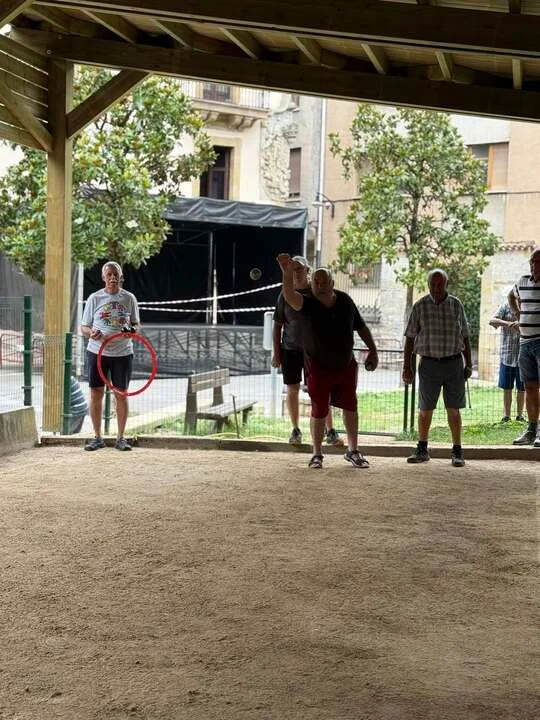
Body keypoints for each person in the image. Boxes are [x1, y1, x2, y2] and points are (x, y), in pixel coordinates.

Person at [276, 253, 378, 469]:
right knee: (319, 409)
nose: (320, 286)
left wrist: (373, 350)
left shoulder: (345, 301)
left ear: (332, 283)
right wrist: (286, 273)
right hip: (318, 366)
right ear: (312, 283)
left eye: (324, 282)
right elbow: (288, 294)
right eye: (316, 282)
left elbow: (361, 327)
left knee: (350, 406)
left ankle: (353, 450)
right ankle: (317, 454)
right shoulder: (305, 303)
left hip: (346, 364)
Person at [402, 269, 472, 467]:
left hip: (454, 364)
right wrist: (407, 366)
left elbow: (465, 335)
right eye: (433, 284)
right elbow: (410, 338)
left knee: (454, 410)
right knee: (425, 410)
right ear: (428, 285)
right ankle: (422, 449)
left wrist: (469, 363)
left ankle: (457, 451)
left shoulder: (456, 305)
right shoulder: (420, 306)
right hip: (429, 364)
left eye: (440, 284)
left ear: (446, 285)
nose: (436, 288)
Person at [272, 255, 343, 447]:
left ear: (307, 270)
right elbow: (277, 325)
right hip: (291, 349)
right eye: (292, 268)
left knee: (320, 389)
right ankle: (295, 429)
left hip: (315, 351)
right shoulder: (285, 295)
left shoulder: (316, 293)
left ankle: (330, 430)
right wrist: (276, 353)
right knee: (292, 388)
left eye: (299, 268)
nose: (296, 272)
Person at [81, 261, 140, 451]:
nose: (113, 277)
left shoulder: (129, 298)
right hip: (97, 351)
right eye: (109, 274)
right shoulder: (94, 298)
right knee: (95, 393)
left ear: (121, 277)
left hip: (122, 353)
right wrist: (91, 333)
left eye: (116, 274)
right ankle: (97, 437)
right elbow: (84, 326)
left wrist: (130, 331)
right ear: (103, 277)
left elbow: (136, 324)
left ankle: (120, 438)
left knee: (121, 394)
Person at [508, 247, 540, 447]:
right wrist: (517, 313)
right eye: (532, 262)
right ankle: (531, 430)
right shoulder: (522, 281)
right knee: (529, 387)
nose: (534, 265)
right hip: (524, 343)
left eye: (538, 262)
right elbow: (511, 296)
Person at [489, 298, 525, 423]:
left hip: (523, 356)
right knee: (507, 388)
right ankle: (506, 417)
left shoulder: (528, 307)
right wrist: (508, 324)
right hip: (507, 355)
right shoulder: (505, 306)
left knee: (522, 389)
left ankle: (520, 416)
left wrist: (521, 325)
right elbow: (492, 321)